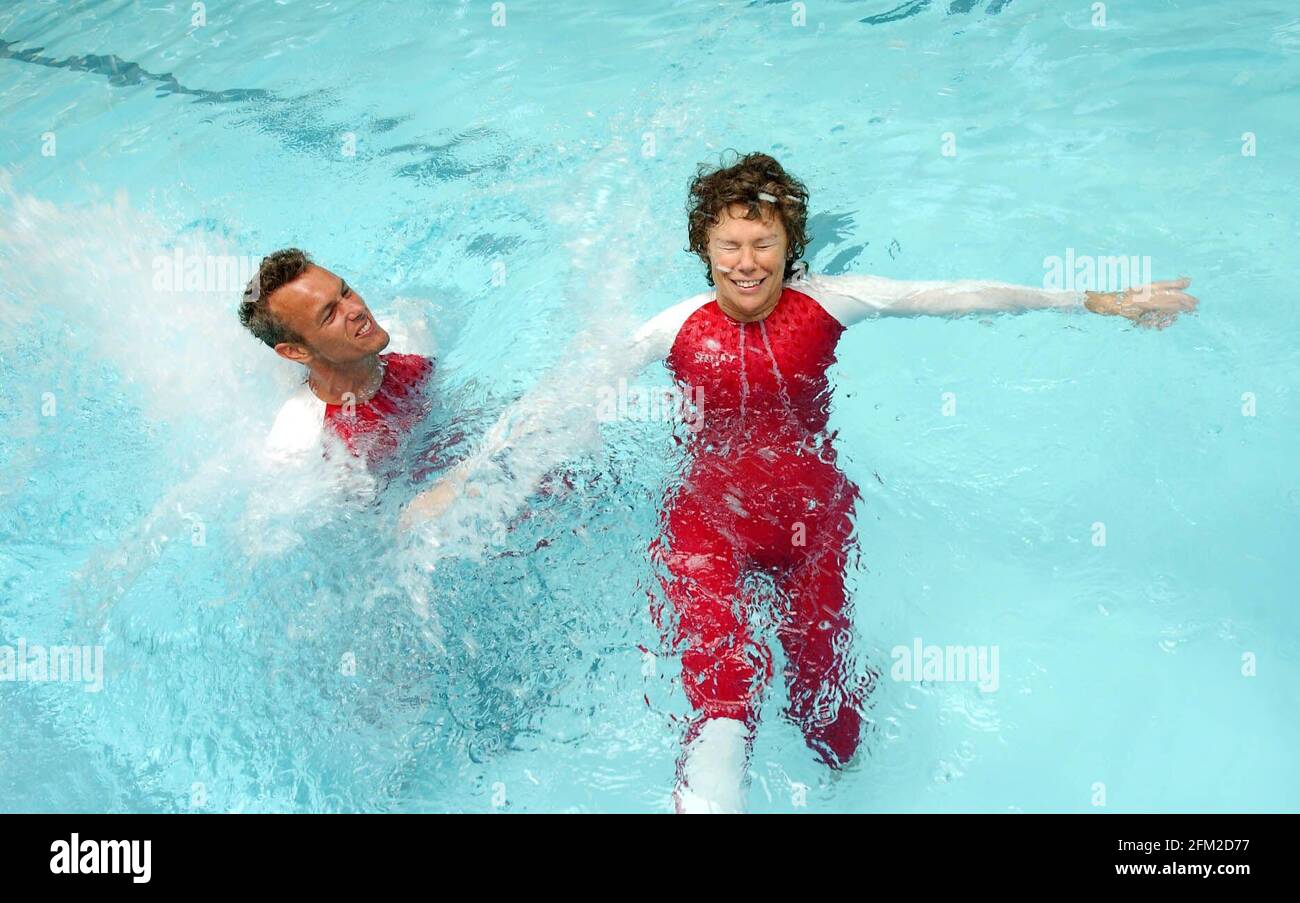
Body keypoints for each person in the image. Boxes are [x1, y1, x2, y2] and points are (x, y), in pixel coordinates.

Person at [405, 152, 1199, 813]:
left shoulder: (833, 302)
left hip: (812, 523)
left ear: (791, 246)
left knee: (828, 715)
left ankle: (844, 745)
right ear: (703, 248)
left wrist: (1097, 299)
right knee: (722, 697)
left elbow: (956, 296)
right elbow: (560, 398)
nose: (747, 262)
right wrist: (464, 478)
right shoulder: (672, 326)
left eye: (764, 242)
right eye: (730, 244)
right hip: (706, 526)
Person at [238, 248, 436, 469]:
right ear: (296, 351)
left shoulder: (410, 339)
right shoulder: (300, 444)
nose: (358, 308)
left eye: (346, 292)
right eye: (330, 314)